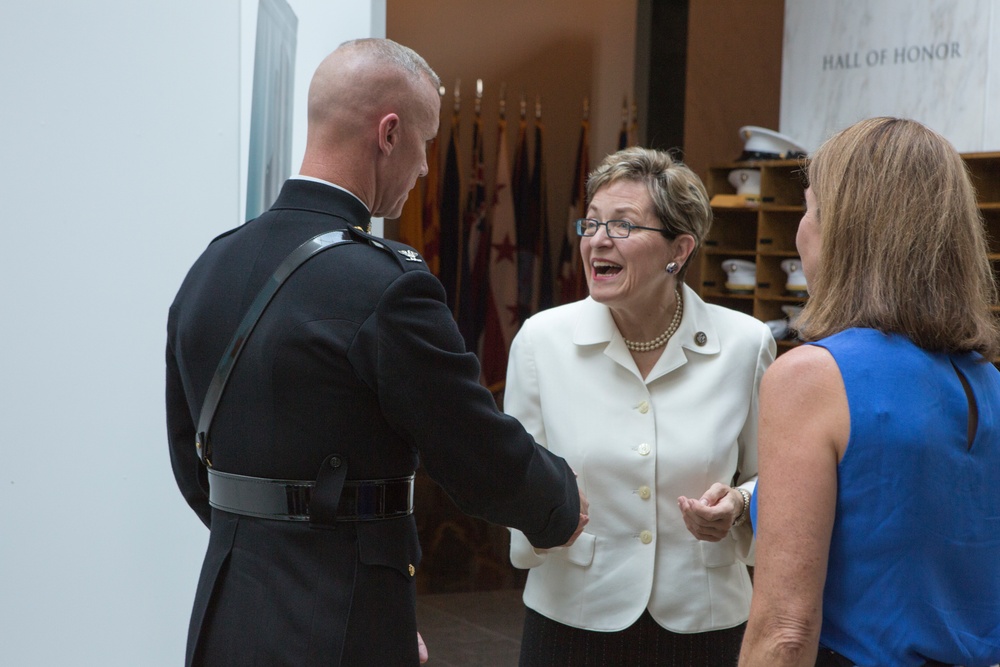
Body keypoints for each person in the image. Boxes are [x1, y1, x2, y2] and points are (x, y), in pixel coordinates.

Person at [165, 38, 587, 667]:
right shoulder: (387, 285)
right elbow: (469, 443)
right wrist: (558, 504)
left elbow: (190, 464)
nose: (424, 168)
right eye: (426, 142)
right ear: (389, 133)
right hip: (337, 620)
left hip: (227, 613)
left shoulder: (210, 266)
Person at [738, 117, 1000, 667]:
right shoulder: (989, 383)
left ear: (844, 228)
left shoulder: (811, 377)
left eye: (809, 208)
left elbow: (785, 632)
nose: (800, 229)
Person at [506, 146, 775, 665]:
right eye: (591, 224)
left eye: (623, 225)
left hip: (705, 622)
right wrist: (545, 517)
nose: (599, 240)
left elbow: (773, 479)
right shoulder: (542, 341)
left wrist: (738, 507)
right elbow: (514, 476)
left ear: (679, 248)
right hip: (573, 619)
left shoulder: (746, 343)